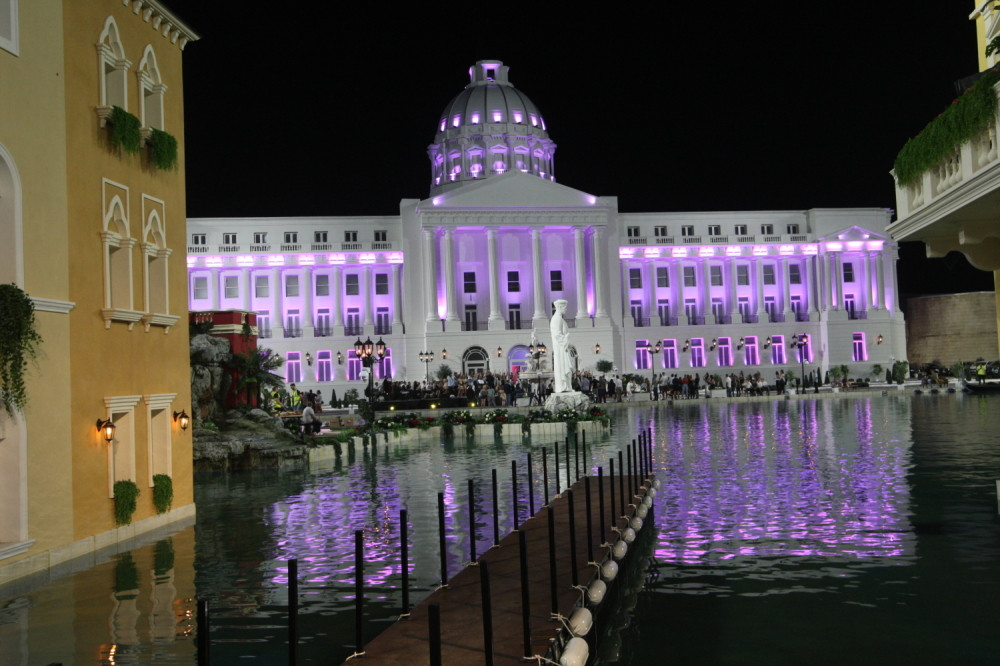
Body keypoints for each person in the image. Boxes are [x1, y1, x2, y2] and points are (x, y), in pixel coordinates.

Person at [549, 299, 573, 393]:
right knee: (564, 369)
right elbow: (557, 335)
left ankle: (567, 387)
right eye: (565, 307)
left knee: (567, 370)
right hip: (561, 349)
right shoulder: (557, 319)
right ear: (559, 307)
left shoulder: (559, 318)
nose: (566, 309)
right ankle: (563, 387)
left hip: (563, 348)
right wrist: (566, 340)